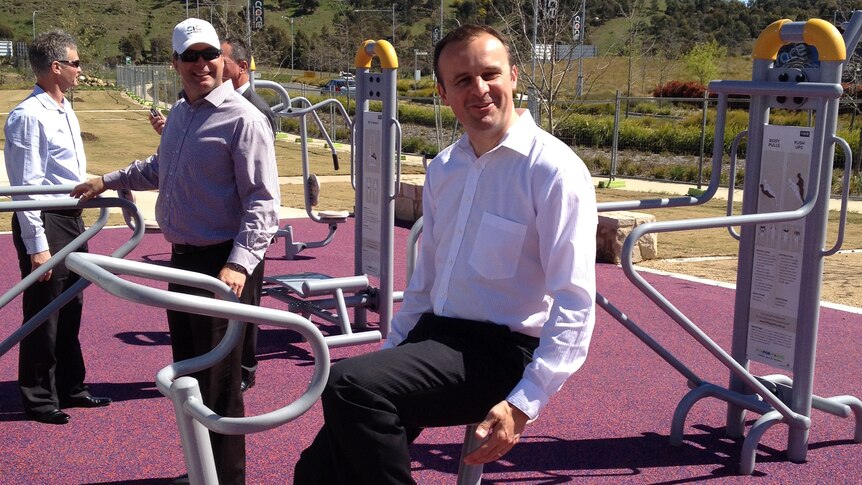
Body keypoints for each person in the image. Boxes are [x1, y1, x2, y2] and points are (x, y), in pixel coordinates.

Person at [293, 24, 597, 484]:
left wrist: (524, 403)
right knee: (316, 473)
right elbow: (425, 282)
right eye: (462, 80)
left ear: (514, 76)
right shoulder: (446, 168)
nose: (480, 90)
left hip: (502, 352)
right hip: (436, 340)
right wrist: (392, 352)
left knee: (349, 384)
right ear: (443, 92)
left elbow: (574, 299)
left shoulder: (553, 170)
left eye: (490, 74)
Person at [72, 18, 280, 485]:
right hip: (184, 261)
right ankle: (200, 470)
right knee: (190, 377)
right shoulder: (182, 113)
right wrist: (106, 180)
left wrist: (238, 264)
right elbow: (159, 168)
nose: (201, 64)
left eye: (209, 55)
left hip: (221, 265)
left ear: (224, 61)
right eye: (191, 56)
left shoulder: (243, 119)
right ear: (175, 63)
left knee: (221, 384)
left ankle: (226, 478)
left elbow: (263, 202)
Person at [4, 30, 112, 426]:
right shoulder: (28, 117)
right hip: (46, 221)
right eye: (76, 62)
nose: (81, 69)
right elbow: (26, 186)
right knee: (43, 312)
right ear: (56, 67)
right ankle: (37, 397)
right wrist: (37, 245)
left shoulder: (64, 108)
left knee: (71, 307)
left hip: (71, 219)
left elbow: (66, 172)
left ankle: (70, 386)